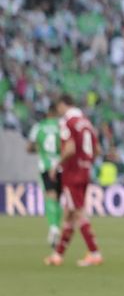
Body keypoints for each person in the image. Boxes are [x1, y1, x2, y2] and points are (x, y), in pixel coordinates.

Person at [46, 94, 102, 267]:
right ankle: (58, 255)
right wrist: (86, 163)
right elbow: (97, 149)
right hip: (85, 171)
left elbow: (69, 148)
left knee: (78, 212)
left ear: (63, 105)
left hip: (72, 172)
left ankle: (94, 252)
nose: (59, 112)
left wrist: (57, 165)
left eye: (59, 108)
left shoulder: (67, 122)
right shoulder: (86, 122)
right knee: (70, 213)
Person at [26, 98, 64, 247]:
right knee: (59, 199)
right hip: (61, 166)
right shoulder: (62, 126)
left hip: (46, 166)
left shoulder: (38, 127)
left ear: (48, 113)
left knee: (50, 197)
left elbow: (29, 147)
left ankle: (53, 227)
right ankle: (57, 227)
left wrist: (40, 150)